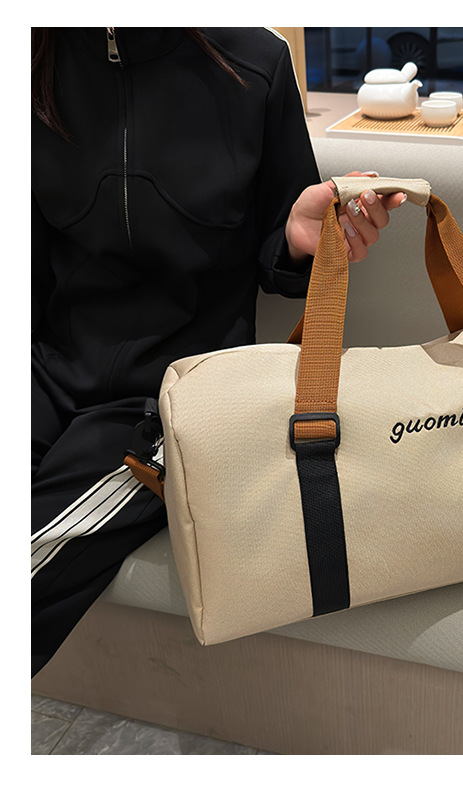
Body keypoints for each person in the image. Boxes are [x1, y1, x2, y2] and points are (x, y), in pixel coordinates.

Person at [31, 27, 405, 677]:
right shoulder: (32, 54)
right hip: (42, 363)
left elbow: (279, 245)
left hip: (173, 399)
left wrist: (299, 238)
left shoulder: (254, 61)